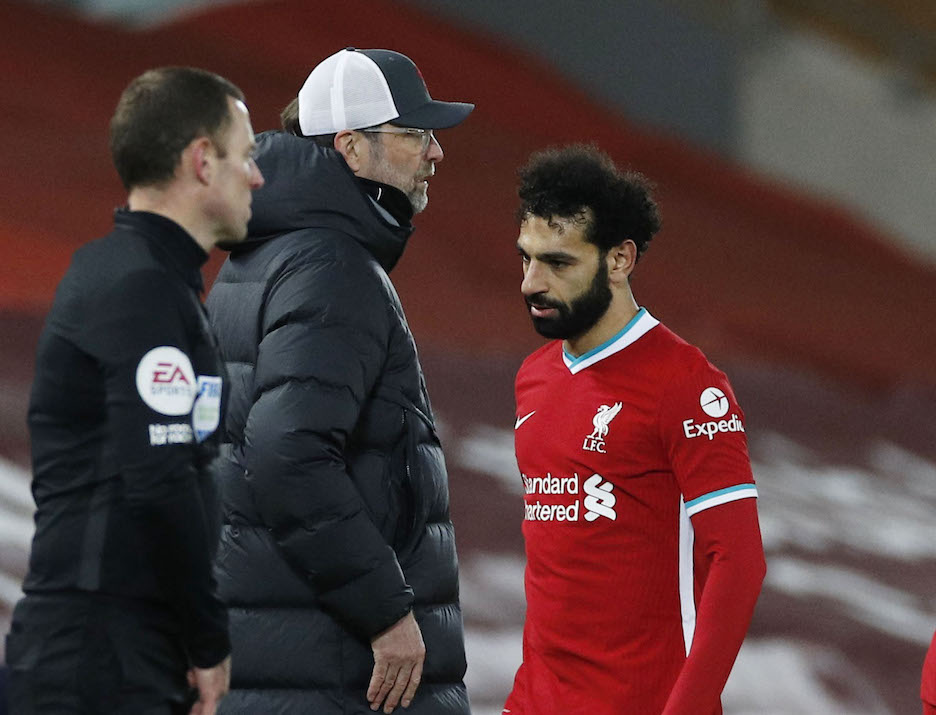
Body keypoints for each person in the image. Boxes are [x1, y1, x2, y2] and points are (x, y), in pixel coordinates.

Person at [204, 48, 473, 714]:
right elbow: (285, 453)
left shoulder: (267, 250)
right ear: (352, 147)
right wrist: (384, 610)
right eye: (414, 134)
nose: (436, 152)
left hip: (284, 656)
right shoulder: (331, 264)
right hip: (334, 671)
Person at [6, 67, 264, 715]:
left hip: (110, 641)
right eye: (247, 155)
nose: (257, 177)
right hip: (102, 651)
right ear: (202, 161)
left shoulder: (140, 277)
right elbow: (159, 477)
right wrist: (207, 638)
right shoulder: (142, 289)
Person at [503, 145, 766, 715]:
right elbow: (555, 581)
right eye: (525, 258)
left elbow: (738, 562)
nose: (530, 283)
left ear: (619, 260)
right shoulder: (534, 378)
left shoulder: (687, 384)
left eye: (558, 263)